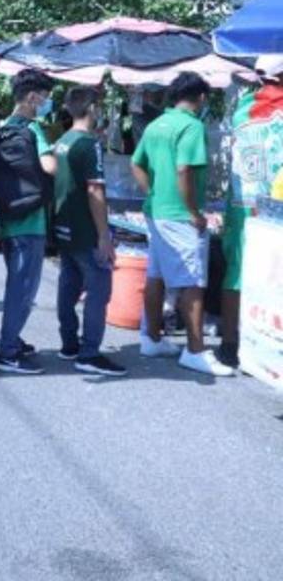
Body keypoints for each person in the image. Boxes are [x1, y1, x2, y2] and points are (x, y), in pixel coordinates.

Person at [132, 71, 232, 377]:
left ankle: (151, 338)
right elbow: (184, 168)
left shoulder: (156, 125)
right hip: (179, 216)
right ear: (200, 97)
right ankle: (195, 350)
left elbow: (136, 164)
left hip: (157, 212)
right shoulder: (191, 126)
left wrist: (153, 193)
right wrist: (193, 212)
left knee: (156, 275)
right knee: (193, 283)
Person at [52, 86, 127, 376]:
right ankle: (90, 352)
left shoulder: (62, 141)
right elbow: (95, 191)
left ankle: (69, 344)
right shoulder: (89, 143)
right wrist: (104, 235)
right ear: (93, 108)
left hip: (64, 227)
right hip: (85, 229)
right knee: (99, 289)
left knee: (68, 284)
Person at [0, 69, 57, 375]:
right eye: (46, 97)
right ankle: (7, 351)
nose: (48, 102)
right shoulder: (33, 130)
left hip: (8, 218)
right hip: (31, 223)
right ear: (33, 97)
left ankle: (12, 339)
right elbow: (50, 166)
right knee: (23, 289)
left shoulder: (3, 128)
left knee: (16, 285)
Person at [221, 55, 283, 369]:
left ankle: (230, 343)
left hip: (241, 206)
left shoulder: (243, 109)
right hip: (277, 212)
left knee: (236, 273)